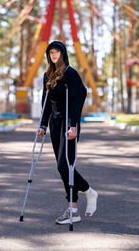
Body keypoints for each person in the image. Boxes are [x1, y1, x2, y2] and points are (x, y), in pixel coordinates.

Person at [38, 40, 98, 225]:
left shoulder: (70, 74)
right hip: (55, 124)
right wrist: (42, 124)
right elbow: (46, 101)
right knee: (64, 169)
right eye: (51, 53)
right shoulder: (47, 75)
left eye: (57, 52)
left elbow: (77, 100)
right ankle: (73, 210)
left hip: (68, 124)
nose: (54, 55)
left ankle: (89, 191)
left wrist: (72, 126)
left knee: (65, 166)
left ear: (62, 53)